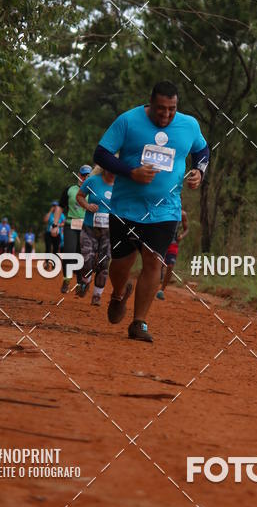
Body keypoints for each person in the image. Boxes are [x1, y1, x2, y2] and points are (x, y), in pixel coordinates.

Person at [94, 81, 209, 342]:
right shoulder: (128, 121)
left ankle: (139, 323)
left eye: (172, 109)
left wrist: (199, 172)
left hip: (165, 210)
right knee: (121, 263)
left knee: (153, 262)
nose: (166, 115)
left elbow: (202, 150)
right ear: (151, 103)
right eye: (161, 109)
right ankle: (119, 292)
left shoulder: (189, 125)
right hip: (126, 208)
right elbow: (101, 154)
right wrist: (130, 172)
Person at [75, 167, 115, 305]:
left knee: (104, 263)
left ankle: (97, 295)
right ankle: (85, 281)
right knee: (87, 260)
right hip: (89, 228)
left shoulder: (122, 185)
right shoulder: (92, 181)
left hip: (109, 232)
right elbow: (79, 196)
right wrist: (87, 206)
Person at [55, 164, 93, 293]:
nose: (84, 177)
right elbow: (60, 207)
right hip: (70, 224)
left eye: (88, 175)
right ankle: (67, 279)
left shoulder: (93, 191)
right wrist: (55, 225)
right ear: (78, 174)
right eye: (83, 175)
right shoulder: (70, 189)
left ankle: (80, 283)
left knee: (83, 255)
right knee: (69, 252)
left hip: (87, 227)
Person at [156, 208, 189, 299]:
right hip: (161, 241)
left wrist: (181, 236)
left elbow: (187, 229)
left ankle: (161, 290)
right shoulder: (163, 209)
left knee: (170, 266)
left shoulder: (182, 214)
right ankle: (153, 286)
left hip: (173, 243)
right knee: (158, 265)